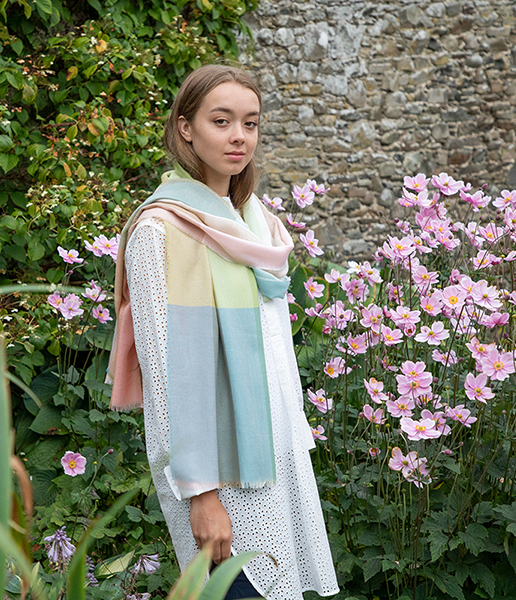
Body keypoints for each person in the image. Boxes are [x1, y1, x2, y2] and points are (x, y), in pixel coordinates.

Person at [109, 64, 339, 600]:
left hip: (277, 456)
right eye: (221, 121)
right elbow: (169, 378)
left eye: (251, 123)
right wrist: (201, 494)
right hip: (216, 473)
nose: (240, 136)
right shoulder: (158, 231)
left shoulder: (259, 224)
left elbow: (275, 350)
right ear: (185, 128)